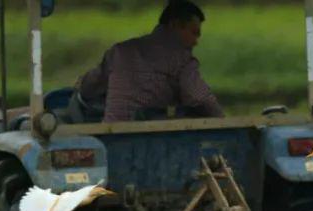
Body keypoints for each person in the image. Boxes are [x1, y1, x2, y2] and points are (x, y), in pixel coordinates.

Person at [76, 1, 223, 122]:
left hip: (111, 137)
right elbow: (199, 97)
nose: (196, 41)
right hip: (149, 139)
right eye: (194, 33)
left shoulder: (119, 51)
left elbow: (89, 86)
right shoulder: (182, 59)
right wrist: (223, 123)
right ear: (175, 25)